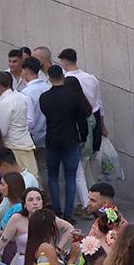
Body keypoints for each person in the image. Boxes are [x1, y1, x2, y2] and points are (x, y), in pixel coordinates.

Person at [37, 65, 90, 221]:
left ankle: (57, 211)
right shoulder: (73, 97)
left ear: (49, 77)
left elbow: (46, 115)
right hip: (71, 139)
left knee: (53, 175)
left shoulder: (45, 97)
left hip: (52, 140)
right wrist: (84, 136)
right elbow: (82, 120)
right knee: (70, 176)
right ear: (62, 76)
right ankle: (68, 212)